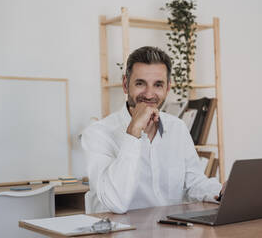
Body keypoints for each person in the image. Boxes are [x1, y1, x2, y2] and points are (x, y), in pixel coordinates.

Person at [81, 46, 222, 214]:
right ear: (126, 85)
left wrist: (220, 191)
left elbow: (194, 183)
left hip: (168, 230)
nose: (149, 94)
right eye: (140, 84)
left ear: (168, 88)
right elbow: (116, 202)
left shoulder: (177, 128)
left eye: (158, 85)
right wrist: (133, 131)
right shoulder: (97, 134)